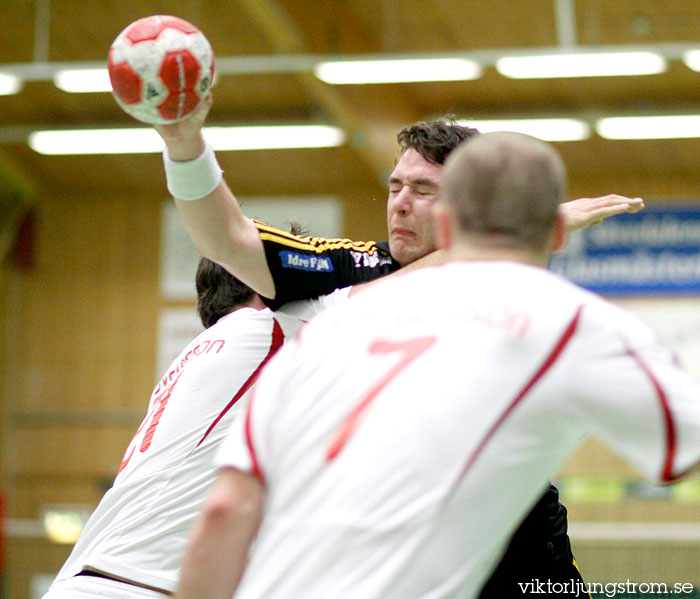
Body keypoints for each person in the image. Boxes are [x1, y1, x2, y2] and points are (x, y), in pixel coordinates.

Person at [176, 132, 700, 599]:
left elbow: (226, 512)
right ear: (555, 238)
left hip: (505, 534)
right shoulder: (560, 318)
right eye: (394, 186)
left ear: (452, 220)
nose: (401, 204)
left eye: (423, 191)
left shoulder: (327, 329)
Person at [41, 258, 330, 599]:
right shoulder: (264, 326)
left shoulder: (200, 352)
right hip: (136, 585)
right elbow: (381, 290)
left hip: (92, 580)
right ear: (262, 283)